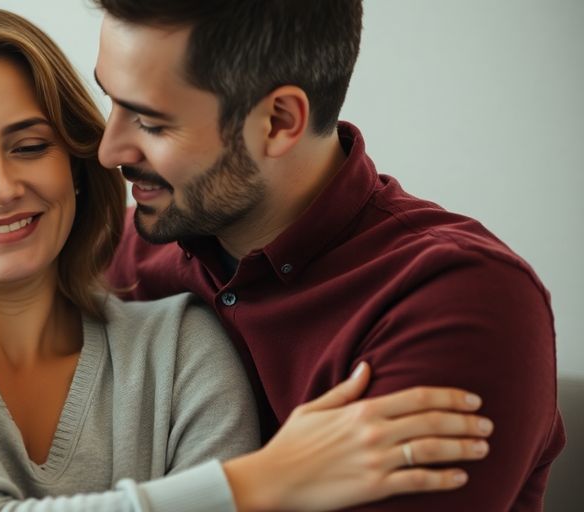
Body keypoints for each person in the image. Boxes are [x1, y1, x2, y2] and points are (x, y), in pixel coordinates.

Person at [0, 6, 492, 511]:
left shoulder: (184, 344)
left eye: (30, 146)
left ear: (68, 161)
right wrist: (263, 481)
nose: (0, 188)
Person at [93, 0, 566, 510]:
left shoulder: (458, 299)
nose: (109, 150)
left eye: (151, 122)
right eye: (110, 101)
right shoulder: (112, 256)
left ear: (278, 122)